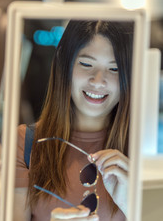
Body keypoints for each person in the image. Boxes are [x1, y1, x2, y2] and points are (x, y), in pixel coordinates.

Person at [14, 20, 133, 221]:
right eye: (86, 64)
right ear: (64, 65)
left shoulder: (145, 153)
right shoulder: (23, 142)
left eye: (114, 69)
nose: (98, 80)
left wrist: (134, 206)